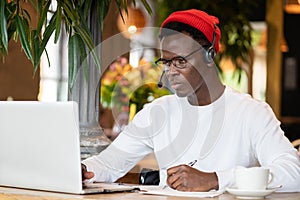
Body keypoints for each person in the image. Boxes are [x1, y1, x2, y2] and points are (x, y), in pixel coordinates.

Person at [82, 9, 300, 192]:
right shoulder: (157, 112)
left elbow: (293, 174)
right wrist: (83, 169)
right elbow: (109, 163)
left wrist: (215, 179)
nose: (171, 72)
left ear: (209, 56)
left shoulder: (251, 112)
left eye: (180, 61)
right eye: (166, 63)